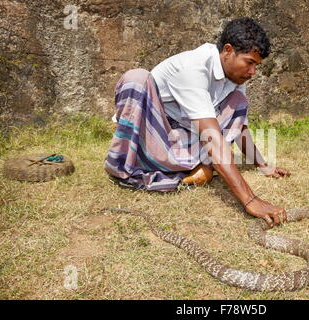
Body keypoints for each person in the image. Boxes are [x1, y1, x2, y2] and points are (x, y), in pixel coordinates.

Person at [105, 17, 291, 227]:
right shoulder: (192, 67)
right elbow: (211, 138)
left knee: (238, 101)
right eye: (249, 63)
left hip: (184, 141)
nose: (253, 72)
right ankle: (127, 168)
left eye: (256, 65)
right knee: (136, 78)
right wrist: (251, 199)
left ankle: (185, 173)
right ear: (228, 50)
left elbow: (240, 128)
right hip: (152, 140)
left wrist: (263, 165)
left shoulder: (235, 77)